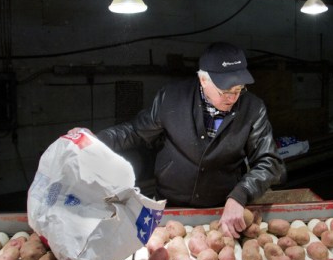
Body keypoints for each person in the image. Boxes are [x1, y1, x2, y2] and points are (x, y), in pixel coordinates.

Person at [68, 42, 286, 238]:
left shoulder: (252, 108)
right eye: (225, 91)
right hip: (169, 207)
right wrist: (93, 141)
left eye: (238, 90)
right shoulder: (171, 98)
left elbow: (270, 161)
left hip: (222, 210)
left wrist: (240, 195)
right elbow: (135, 131)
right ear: (203, 79)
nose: (232, 97)